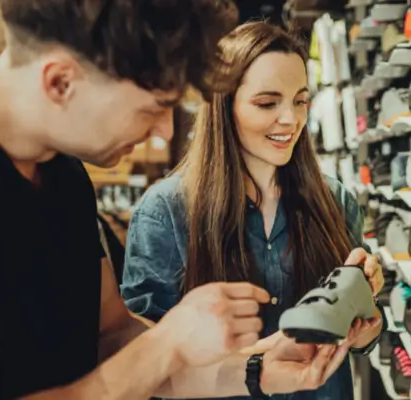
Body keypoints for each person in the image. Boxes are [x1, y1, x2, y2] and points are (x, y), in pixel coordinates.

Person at [0, 3, 356, 400]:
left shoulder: (62, 175)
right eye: (152, 107)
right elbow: (142, 358)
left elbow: (109, 337)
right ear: (60, 82)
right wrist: (166, 344)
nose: (165, 130)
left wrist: (255, 370)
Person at [121, 21, 386, 400]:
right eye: (267, 103)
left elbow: (364, 338)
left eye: (300, 100)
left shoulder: (334, 201)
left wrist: (363, 314)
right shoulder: (165, 212)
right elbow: (144, 358)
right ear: (225, 105)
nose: (291, 119)